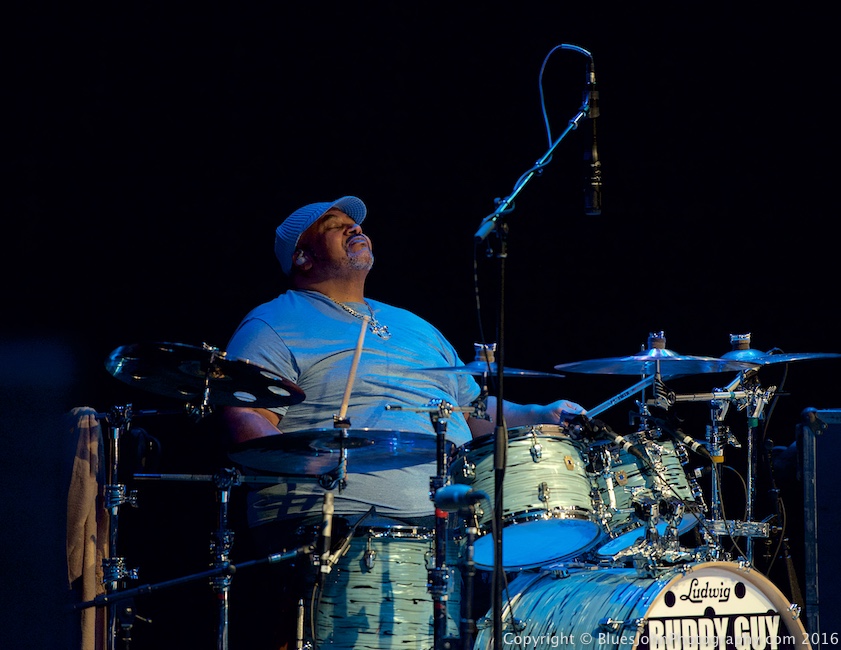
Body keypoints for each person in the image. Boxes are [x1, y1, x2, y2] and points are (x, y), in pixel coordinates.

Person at [220, 195, 585, 650]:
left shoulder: (415, 325)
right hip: (339, 528)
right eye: (336, 226)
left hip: (445, 526)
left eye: (357, 224)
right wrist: (311, 469)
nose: (355, 229)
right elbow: (245, 415)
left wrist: (540, 414)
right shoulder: (273, 323)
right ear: (303, 257)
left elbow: (474, 411)